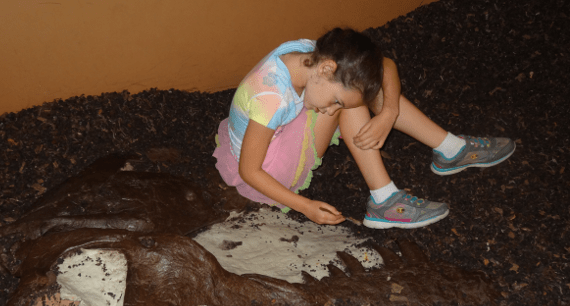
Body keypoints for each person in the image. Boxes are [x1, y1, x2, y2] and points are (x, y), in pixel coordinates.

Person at [213, 28, 515, 229]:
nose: (331, 110)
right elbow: (249, 171)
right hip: (267, 170)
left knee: (358, 90)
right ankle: (385, 199)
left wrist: (388, 113)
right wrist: (305, 206)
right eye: (332, 100)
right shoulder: (271, 99)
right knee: (353, 105)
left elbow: (385, 66)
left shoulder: (309, 55)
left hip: (273, 133)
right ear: (326, 69)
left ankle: (450, 149)